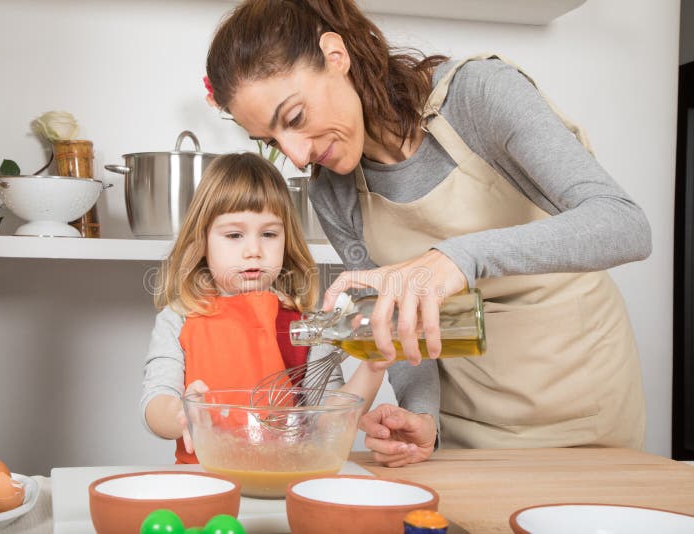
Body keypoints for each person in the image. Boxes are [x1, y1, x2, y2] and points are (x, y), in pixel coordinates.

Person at [204, 0, 651, 466]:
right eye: (273, 141)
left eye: (294, 117)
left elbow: (624, 224)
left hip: (584, 413)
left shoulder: (478, 97)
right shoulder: (332, 191)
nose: (296, 156)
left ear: (335, 56)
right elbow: (391, 324)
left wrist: (457, 258)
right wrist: (422, 418)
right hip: (466, 428)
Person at [141, 152, 386, 463]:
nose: (254, 251)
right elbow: (154, 404)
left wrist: (373, 368)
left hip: (284, 481)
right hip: (204, 480)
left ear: (286, 239)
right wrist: (181, 412)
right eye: (234, 235)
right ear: (201, 240)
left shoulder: (305, 324)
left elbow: (329, 423)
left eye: (269, 234)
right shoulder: (178, 319)